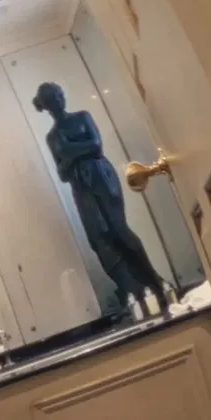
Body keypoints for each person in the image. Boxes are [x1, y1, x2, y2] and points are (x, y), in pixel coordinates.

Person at [33, 81, 166, 311]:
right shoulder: (52, 137)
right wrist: (76, 153)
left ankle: (154, 282)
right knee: (99, 239)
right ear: (46, 105)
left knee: (118, 229)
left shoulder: (82, 117)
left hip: (101, 175)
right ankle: (133, 289)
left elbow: (96, 145)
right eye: (53, 98)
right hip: (80, 185)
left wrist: (69, 152)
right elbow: (62, 173)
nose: (59, 100)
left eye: (60, 95)